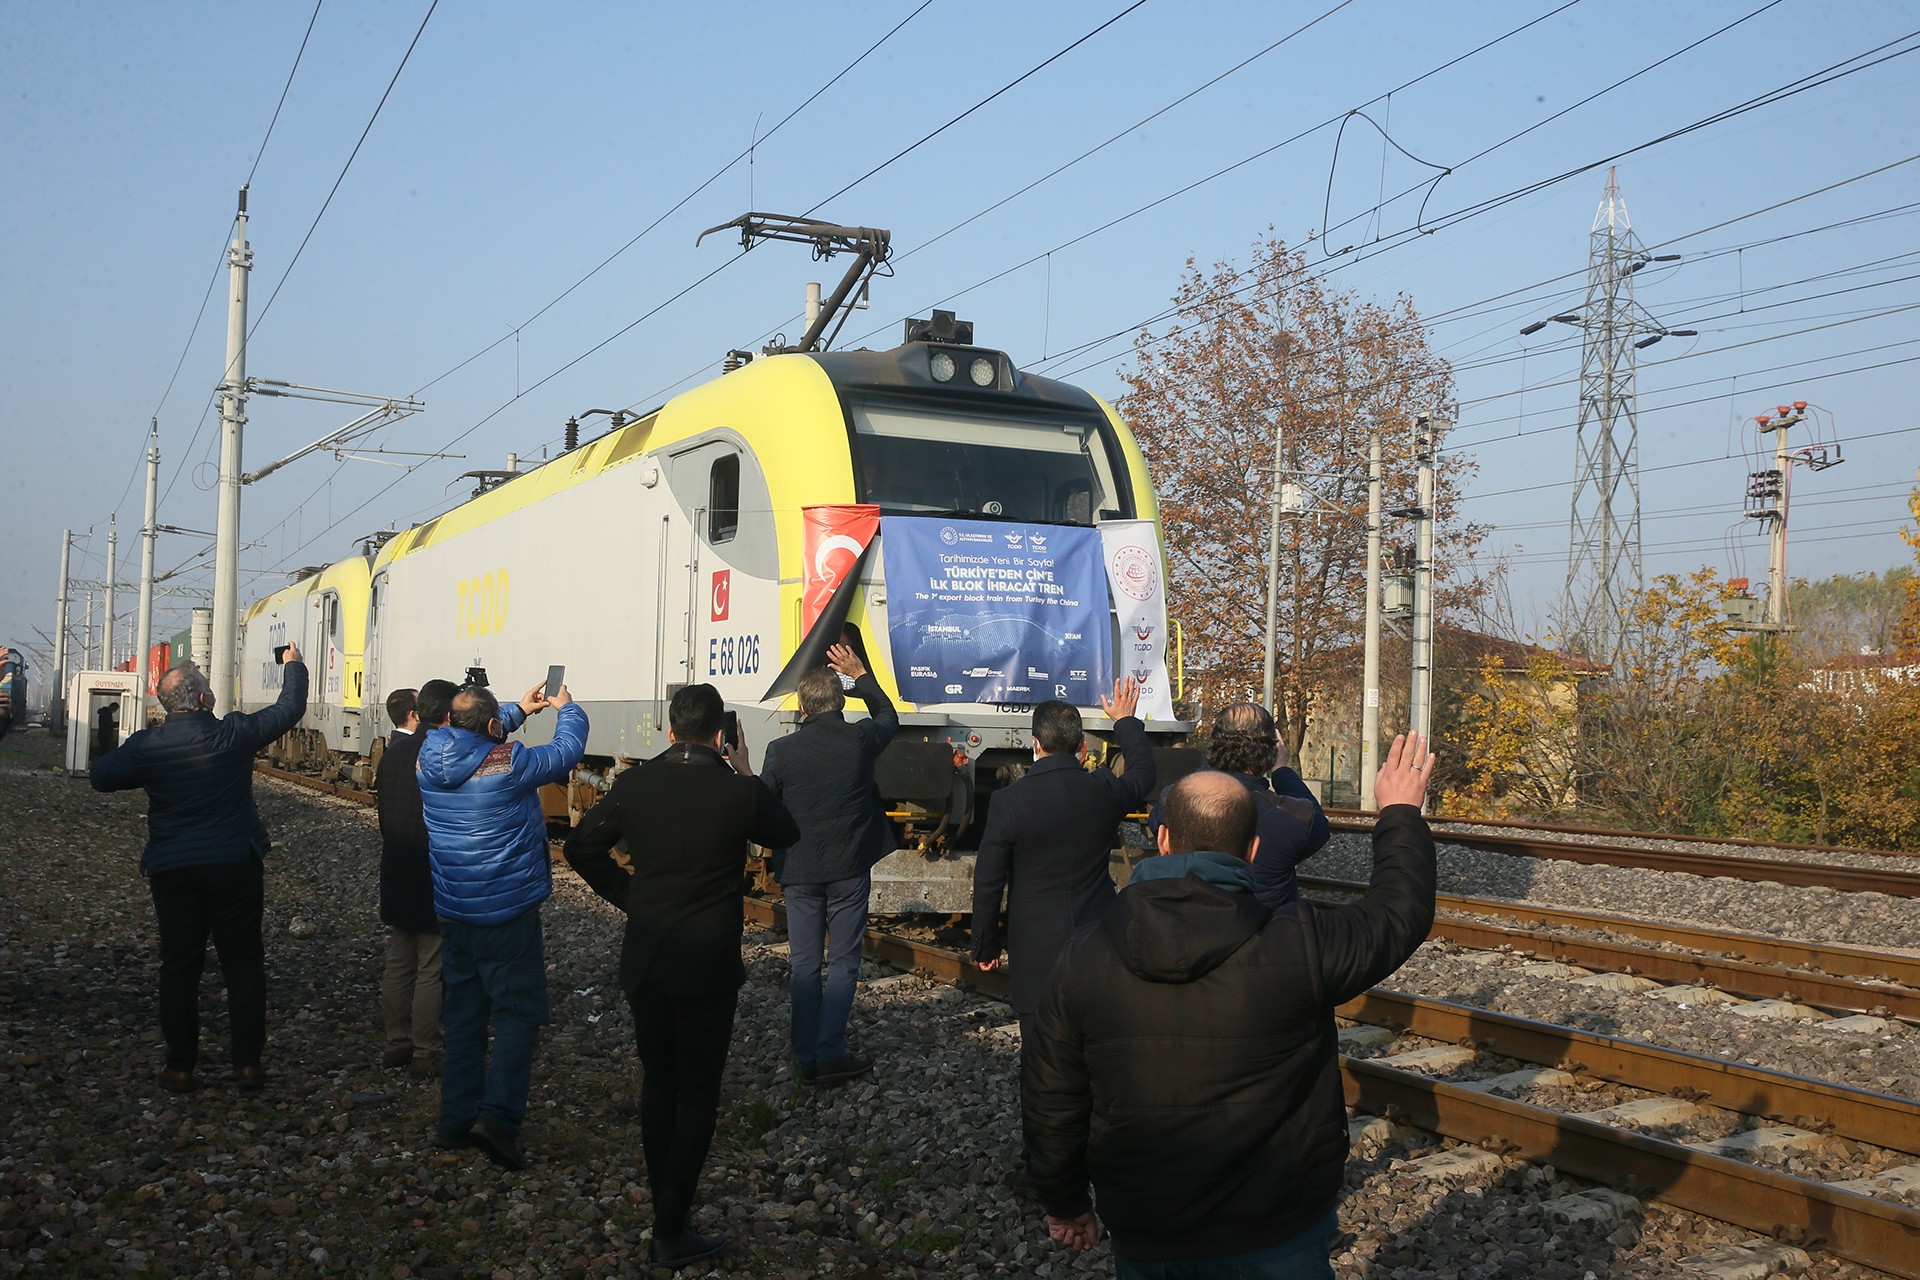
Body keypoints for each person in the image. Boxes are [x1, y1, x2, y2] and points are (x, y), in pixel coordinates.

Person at [1024, 733, 1438, 1279]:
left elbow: (1053, 1094)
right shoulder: (1300, 943)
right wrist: (1401, 812)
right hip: (1277, 1226)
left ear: (1164, 840)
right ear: (1252, 850)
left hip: (1149, 1229)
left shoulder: (1081, 955)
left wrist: (1066, 1200)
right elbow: (1397, 913)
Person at [564, 684, 799, 1268]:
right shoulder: (737, 791)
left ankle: (665, 1213)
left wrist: (631, 897)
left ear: (669, 730)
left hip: (648, 956)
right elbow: (786, 832)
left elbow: (580, 847)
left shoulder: (635, 784)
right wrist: (746, 771)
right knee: (698, 1091)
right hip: (709, 965)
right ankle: (671, 1224)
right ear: (721, 735)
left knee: (659, 1083)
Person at [89, 647, 310, 1093]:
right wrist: (293, 665)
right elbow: (290, 708)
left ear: (165, 704)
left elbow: (101, 776)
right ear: (206, 700)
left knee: (179, 965)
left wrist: (139, 762)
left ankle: (180, 1066)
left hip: (174, 867)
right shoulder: (234, 734)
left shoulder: (147, 746)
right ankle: (246, 1065)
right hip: (233, 863)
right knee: (243, 962)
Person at [970, 677, 1157, 1164]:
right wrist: (1126, 722)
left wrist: (986, 945)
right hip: (1098, 946)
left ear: (1034, 743)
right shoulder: (1103, 791)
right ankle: (1100, 1153)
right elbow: (1144, 772)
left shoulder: (1010, 803)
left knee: (1041, 1066)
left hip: (1037, 954)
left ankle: (1044, 1167)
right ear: (1080, 746)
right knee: (1095, 1056)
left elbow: (989, 881)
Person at [417, 680, 587, 1171]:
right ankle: (498, 1121)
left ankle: (453, 1122)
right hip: (507, 913)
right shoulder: (508, 764)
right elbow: (567, 749)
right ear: (491, 728)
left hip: (454, 910)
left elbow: (471, 735)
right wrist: (565, 707)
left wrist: (516, 710)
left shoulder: (424, 758)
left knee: (465, 1017)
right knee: (517, 1014)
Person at [759, 641, 899, 1083]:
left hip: (799, 873)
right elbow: (888, 716)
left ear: (802, 706)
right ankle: (830, 1051)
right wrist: (861, 674)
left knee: (804, 965)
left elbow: (764, 807)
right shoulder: (860, 740)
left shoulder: (781, 752)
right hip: (849, 871)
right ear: (840, 702)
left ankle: (805, 1057)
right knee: (843, 964)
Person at [1147, 702, 1329, 908]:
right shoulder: (1293, 816)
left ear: (1214, 745)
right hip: (1264, 930)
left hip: (1185, 921)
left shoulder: (1172, 799)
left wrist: (1213, 765)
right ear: (1270, 752)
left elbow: (1158, 821)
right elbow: (1319, 826)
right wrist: (1281, 769)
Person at [373, 687, 441, 1073]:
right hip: (430, 868)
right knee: (431, 964)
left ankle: (396, 1043)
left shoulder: (390, 756)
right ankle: (426, 1048)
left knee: (400, 959)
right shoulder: (433, 754)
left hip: (397, 865)